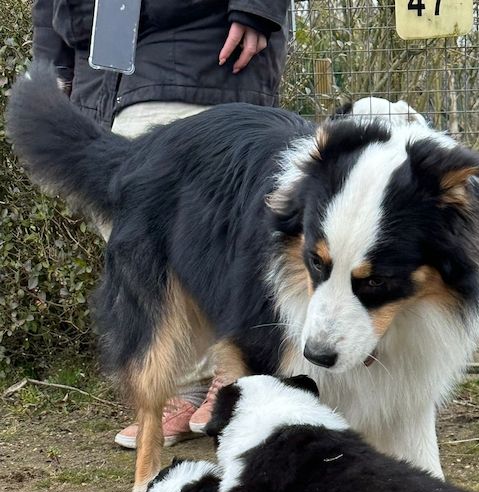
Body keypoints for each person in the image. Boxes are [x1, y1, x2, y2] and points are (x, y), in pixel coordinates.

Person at [32, 0, 291, 447]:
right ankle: (183, 386)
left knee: (227, 240)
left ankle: (233, 373)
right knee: (136, 241)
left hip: (204, 52)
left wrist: (257, 7)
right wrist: (50, 58)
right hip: (102, 69)